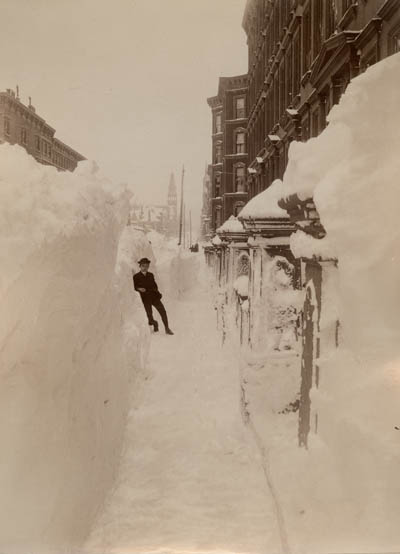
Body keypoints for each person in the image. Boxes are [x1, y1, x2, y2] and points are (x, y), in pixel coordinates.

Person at [133, 258, 174, 335]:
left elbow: (155, 285)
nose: (145, 268)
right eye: (143, 266)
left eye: (147, 266)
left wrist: (155, 291)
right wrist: (139, 289)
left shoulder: (151, 275)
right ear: (140, 266)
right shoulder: (136, 276)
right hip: (145, 299)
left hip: (154, 297)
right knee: (149, 317)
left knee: (163, 311)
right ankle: (155, 323)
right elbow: (133, 287)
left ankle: (167, 328)